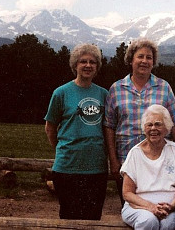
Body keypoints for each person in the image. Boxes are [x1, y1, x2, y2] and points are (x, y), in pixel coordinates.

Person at [104, 38, 175, 203]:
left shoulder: (163, 87)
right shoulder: (116, 89)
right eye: (140, 56)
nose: (144, 61)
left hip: (160, 161)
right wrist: (113, 159)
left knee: (163, 207)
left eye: (149, 57)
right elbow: (109, 127)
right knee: (133, 207)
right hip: (126, 160)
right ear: (131, 60)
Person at [44, 43, 108, 220]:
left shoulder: (103, 94)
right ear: (75, 65)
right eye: (83, 61)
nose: (88, 65)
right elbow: (50, 127)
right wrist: (62, 148)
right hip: (67, 167)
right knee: (69, 216)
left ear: (97, 67)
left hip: (96, 168)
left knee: (93, 218)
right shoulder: (61, 93)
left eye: (92, 62)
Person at [120, 104, 175, 230]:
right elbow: (127, 193)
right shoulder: (134, 153)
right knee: (148, 221)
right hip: (139, 207)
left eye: (158, 124)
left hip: (170, 207)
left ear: (166, 127)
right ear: (144, 128)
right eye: (149, 125)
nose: (153, 128)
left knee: (169, 225)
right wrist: (150, 207)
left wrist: (170, 206)